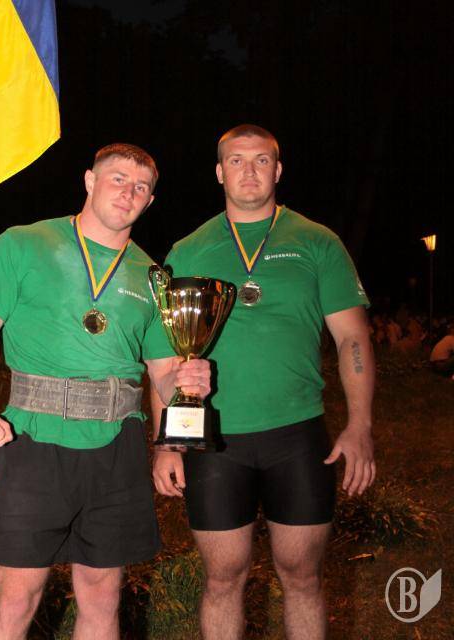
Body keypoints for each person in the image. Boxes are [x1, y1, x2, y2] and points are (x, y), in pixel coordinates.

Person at [0, 143, 210, 640]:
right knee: (17, 596)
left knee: (102, 594)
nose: (128, 192)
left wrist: (176, 420)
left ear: (150, 202)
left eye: (141, 187)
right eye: (118, 179)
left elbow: (160, 371)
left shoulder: (153, 276)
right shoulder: (24, 244)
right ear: (90, 181)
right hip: (34, 439)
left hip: (117, 446)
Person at [152, 125, 375, 640]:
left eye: (260, 160)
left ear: (278, 170)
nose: (248, 171)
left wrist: (360, 425)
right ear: (218, 172)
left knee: (302, 576)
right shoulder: (189, 249)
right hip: (215, 441)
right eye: (236, 160)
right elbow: (165, 359)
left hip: (296, 435)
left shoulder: (316, 242)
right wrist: (165, 441)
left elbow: (353, 338)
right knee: (222, 577)